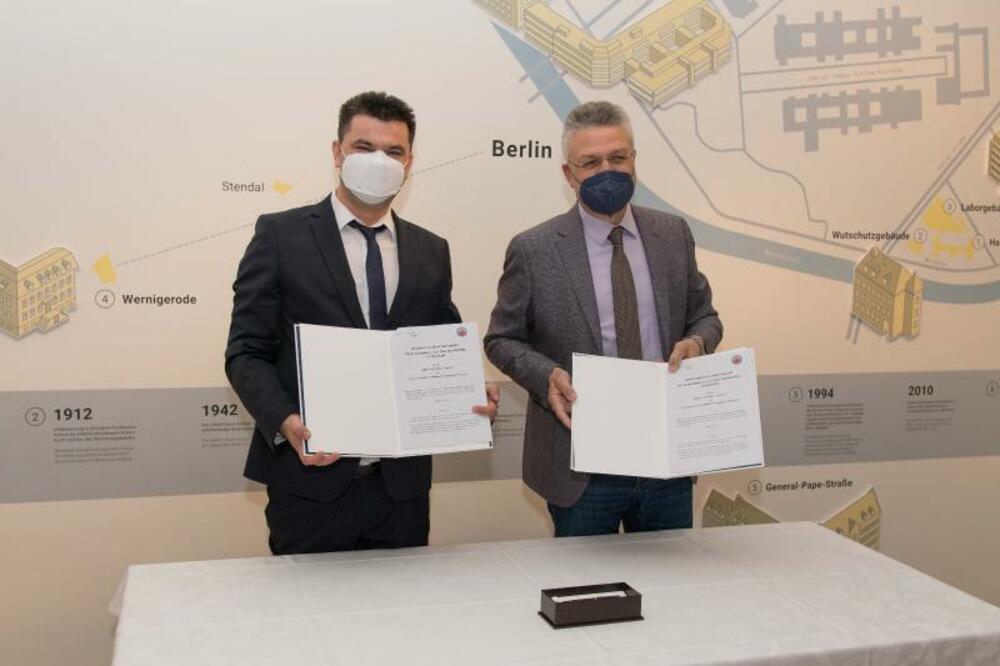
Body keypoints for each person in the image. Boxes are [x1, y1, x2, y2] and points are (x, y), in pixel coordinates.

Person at [226, 91, 499, 554]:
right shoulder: (280, 235)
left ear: (409, 162)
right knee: (309, 602)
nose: (379, 161)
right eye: (364, 147)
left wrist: (468, 388)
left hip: (401, 491)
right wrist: (286, 421)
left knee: (400, 601)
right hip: (309, 486)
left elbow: (438, 342)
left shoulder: (431, 249)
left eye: (393, 151)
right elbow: (245, 351)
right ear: (337, 152)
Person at [484, 100, 722, 537]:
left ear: (634, 160)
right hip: (581, 467)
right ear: (568, 173)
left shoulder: (672, 234)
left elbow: (704, 316)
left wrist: (697, 343)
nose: (607, 171)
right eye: (590, 162)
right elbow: (501, 339)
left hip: (665, 457)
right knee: (584, 579)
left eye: (618, 157)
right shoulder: (535, 249)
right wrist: (546, 374)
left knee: (674, 577)